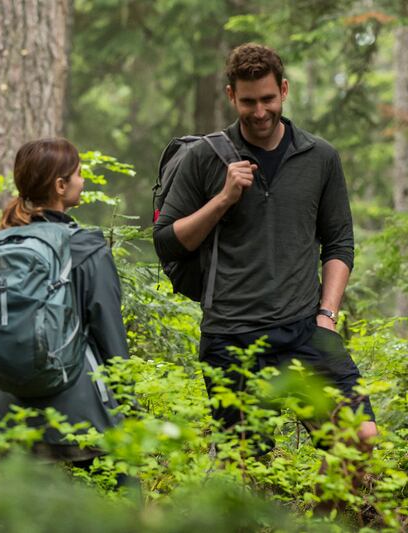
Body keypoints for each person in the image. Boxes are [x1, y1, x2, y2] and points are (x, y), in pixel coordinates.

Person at [153, 43, 377, 451]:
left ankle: (321, 516)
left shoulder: (320, 156)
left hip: (305, 330)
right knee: (246, 465)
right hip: (231, 337)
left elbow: (339, 242)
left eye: (268, 99)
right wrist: (222, 199)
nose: (260, 112)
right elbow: (166, 243)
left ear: (285, 91)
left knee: (359, 438)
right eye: (249, 101)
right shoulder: (205, 157)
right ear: (231, 96)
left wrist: (327, 316)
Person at [0, 138, 129, 467]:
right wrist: (129, 411)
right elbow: (111, 338)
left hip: (11, 416)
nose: (83, 180)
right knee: (123, 502)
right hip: (82, 416)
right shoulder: (87, 249)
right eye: (78, 174)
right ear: (61, 186)